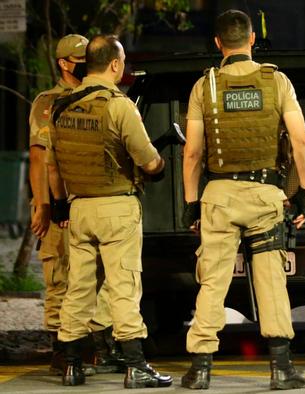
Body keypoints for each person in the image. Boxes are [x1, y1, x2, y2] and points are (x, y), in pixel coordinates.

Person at [180, 9, 305, 390]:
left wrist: (192, 204)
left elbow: (192, 153)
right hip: (265, 195)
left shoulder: (203, 87)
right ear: (252, 39)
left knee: (213, 280)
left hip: (219, 196)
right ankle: (281, 367)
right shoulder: (277, 82)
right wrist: (304, 195)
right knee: (271, 279)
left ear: (218, 43)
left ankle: (200, 368)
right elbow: (302, 141)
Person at [46, 34, 172, 388]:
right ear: (115, 64)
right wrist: (159, 166)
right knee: (124, 286)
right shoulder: (118, 105)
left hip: (79, 207)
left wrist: (59, 207)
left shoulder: (59, 106)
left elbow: (52, 167)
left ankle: (72, 364)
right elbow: (148, 161)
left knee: (78, 288)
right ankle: (136, 366)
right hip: (116, 207)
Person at [27, 34, 123, 376]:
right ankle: (61, 349)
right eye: (78, 59)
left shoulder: (100, 95)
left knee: (97, 276)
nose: (84, 64)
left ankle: (96, 347)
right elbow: (39, 160)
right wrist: (44, 206)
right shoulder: (49, 101)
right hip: (59, 204)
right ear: (64, 63)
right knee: (60, 276)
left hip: (90, 200)